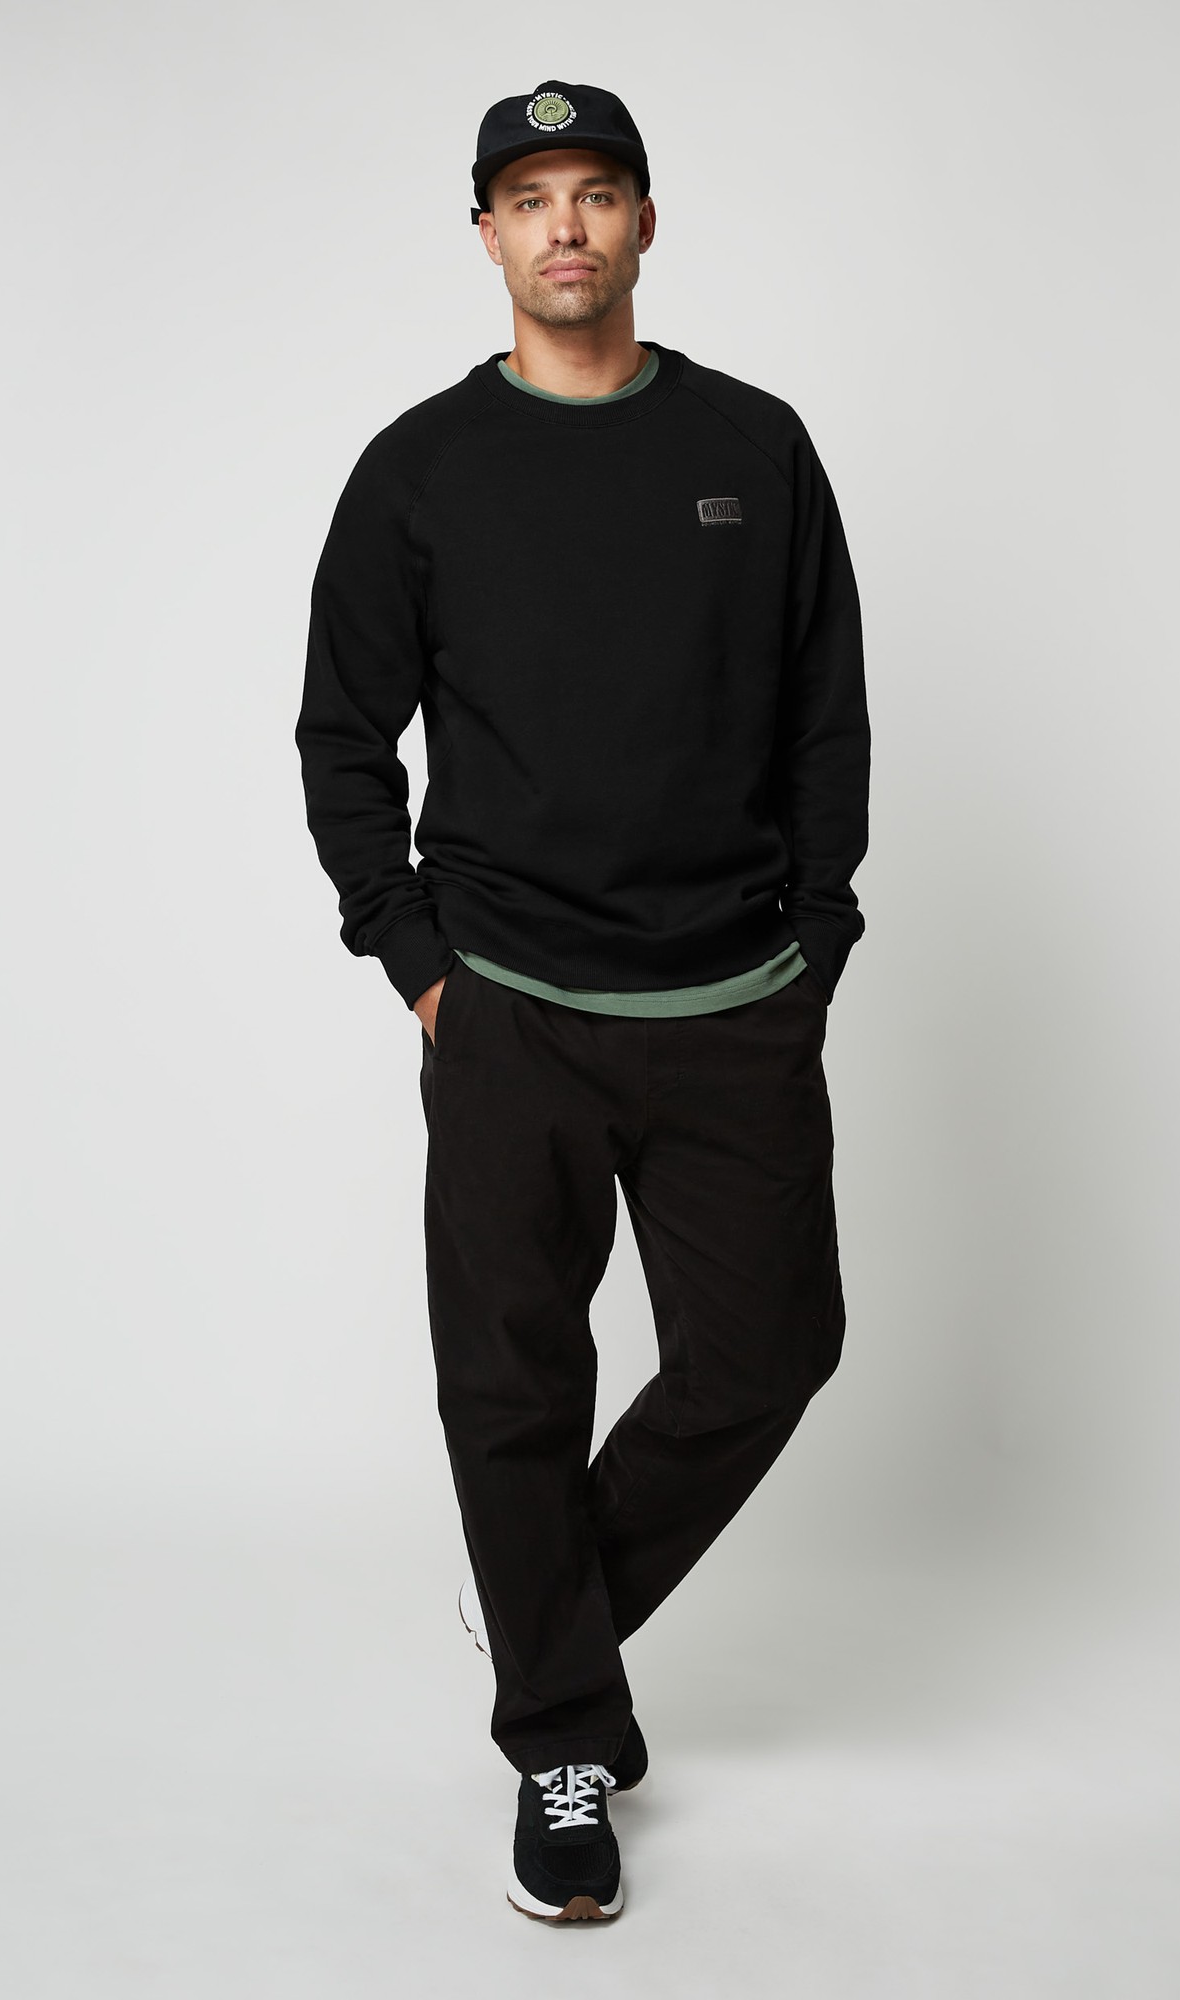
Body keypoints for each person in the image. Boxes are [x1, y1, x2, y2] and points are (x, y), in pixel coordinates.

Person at [296, 78, 869, 1924]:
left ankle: (551, 1609)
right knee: (514, 1387)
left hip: (731, 1002)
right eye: (530, 197)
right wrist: (418, 966)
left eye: (597, 192)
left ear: (644, 222)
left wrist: (816, 944)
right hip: (512, 1009)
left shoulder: (755, 448)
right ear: (486, 234)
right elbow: (341, 739)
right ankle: (561, 1738)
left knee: (770, 1354)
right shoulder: (420, 472)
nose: (565, 225)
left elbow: (826, 718)